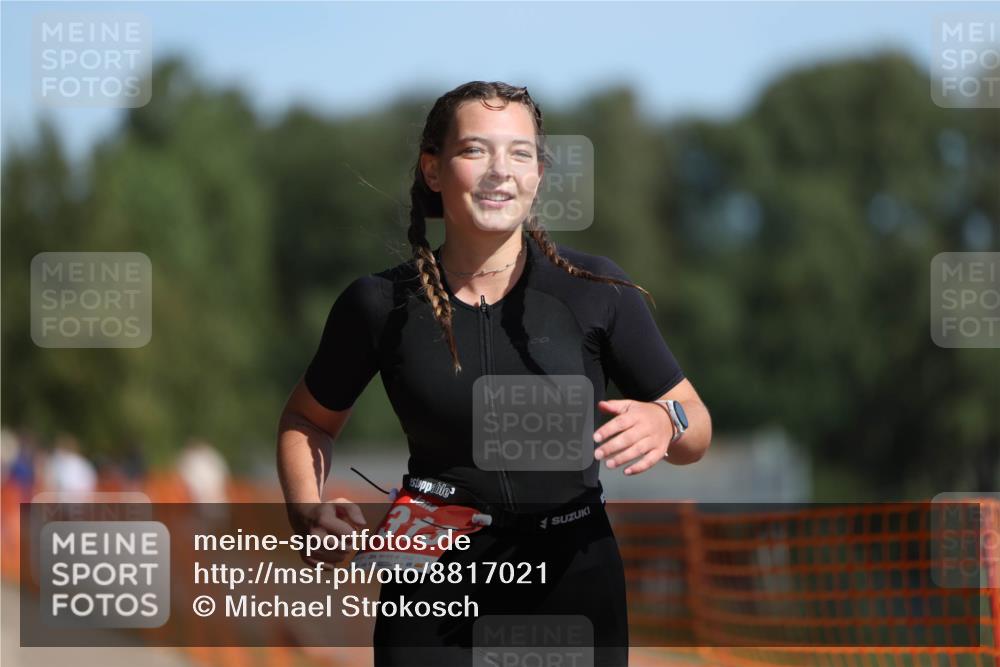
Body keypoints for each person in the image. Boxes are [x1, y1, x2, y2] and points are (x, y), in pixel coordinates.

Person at [276, 81, 712, 667]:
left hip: (571, 578)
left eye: (520, 153)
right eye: (475, 150)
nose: (499, 171)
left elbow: (695, 429)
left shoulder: (596, 291)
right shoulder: (378, 304)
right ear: (433, 170)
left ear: (537, 176)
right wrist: (306, 509)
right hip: (428, 575)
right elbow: (307, 419)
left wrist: (667, 419)